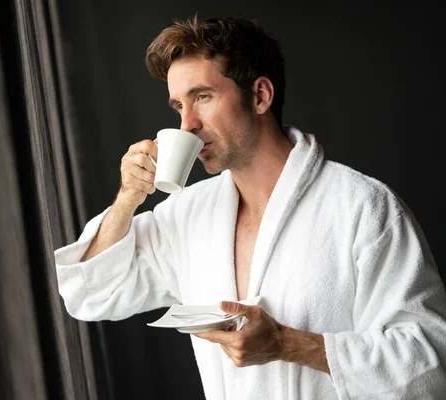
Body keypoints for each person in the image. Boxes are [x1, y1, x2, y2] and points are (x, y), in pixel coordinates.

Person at [54, 15, 446, 399]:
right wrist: (127, 199)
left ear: (259, 95)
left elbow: (430, 363)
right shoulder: (188, 214)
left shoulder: (362, 207)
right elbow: (89, 292)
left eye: (202, 97)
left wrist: (287, 345)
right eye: (178, 107)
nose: (186, 124)